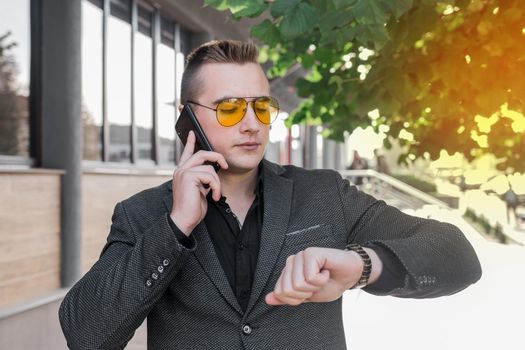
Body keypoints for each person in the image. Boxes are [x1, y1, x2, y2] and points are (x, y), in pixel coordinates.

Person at [59, 40, 482, 350]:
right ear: (188, 119)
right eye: (229, 108)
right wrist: (176, 226)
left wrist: (361, 265)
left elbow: (457, 255)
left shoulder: (324, 193)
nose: (251, 124)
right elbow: (84, 333)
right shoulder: (143, 215)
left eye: (261, 107)